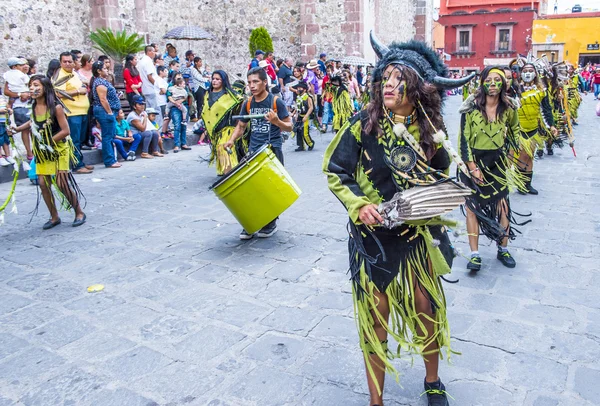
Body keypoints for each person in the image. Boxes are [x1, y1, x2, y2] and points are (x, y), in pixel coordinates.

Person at [322, 33, 474, 406]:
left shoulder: (431, 131)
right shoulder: (363, 124)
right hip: (371, 241)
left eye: (398, 80)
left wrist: (448, 189)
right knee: (375, 320)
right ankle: (376, 401)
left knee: (426, 309)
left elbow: (442, 181)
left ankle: (433, 379)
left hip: (416, 240)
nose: (388, 85)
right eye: (385, 78)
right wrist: (358, 205)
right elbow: (334, 171)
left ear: (417, 90)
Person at [458, 66, 527, 271]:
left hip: (497, 162)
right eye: (489, 80)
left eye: (498, 80)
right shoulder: (469, 108)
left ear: (504, 84)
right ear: (482, 82)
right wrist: (471, 167)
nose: (493, 84)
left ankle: (503, 248)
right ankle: (475, 255)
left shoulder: (509, 107)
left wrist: (511, 156)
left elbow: (515, 130)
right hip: (474, 162)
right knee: (472, 209)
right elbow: (463, 140)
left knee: (502, 206)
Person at [8, 75, 86, 229]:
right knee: (43, 183)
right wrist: (17, 129)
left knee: (61, 183)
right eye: (30, 85)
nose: (32, 88)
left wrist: (48, 142)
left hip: (58, 148)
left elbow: (65, 131)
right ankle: (54, 216)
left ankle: (79, 212)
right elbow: (34, 122)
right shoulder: (34, 106)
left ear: (45, 88)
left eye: (36, 85)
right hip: (43, 150)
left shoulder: (56, 107)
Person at [223, 67, 292, 239]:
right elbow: (241, 126)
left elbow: (290, 126)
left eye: (256, 82)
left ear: (264, 82)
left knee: (270, 189)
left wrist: (277, 122)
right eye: (249, 82)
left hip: (272, 150)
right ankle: (252, 221)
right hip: (254, 151)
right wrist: (231, 140)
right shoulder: (247, 103)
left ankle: (270, 222)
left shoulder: (276, 102)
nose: (252, 86)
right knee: (252, 189)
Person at [516, 54, 556, 195]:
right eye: (525, 70)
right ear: (521, 72)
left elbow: (546, 109)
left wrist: (551, 125)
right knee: (521, 157)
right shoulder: (515, 90)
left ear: (535, 73)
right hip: (518, 129)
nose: (528, 73)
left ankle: (528, 184)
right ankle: (520, 184)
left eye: (530, 70)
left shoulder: (541, 90)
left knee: (530, 156)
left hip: (533, 128)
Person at [54, 52, 94, 174]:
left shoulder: (74, 74)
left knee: (80, 139)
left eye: (70, 61)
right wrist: (77, 91)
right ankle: (77, 165)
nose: (67, 64)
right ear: (60, 62)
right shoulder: (60, 75)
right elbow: (58, 93)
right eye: (64, 61)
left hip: (81, 111)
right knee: (74, 140)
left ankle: (80, 161)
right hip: (71, 113)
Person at [201, 70, 243, 173]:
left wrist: (238, 126)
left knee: (224, 149)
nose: (214, 81)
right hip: (215, 130)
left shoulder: (232, 96)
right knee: (219, 149)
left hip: (227, 128)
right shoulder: (207, 94)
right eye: (213, 79)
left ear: (223, 81)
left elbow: (240, 108)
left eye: (218, 79)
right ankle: (225, 171)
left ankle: (229, 174)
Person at [90, 60, 122, 168]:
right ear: (98, 71)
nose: (106, 70)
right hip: (104, 111)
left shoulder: (103, 81)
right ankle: (109, 160)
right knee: (107, 136)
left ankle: (111, 159)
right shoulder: (99, 83)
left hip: (109, 110)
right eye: (104, 68)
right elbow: (103, 100)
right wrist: (109, 112)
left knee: (109, 135)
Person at [3, 57, 33, 162]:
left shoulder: (26, 77)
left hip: (28, 105)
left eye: (26, 64)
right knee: (25, 129)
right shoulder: (18, 76)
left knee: (33, 128)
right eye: (22, 64)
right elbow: (6, 91)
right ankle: (29, 152)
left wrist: (28, 94)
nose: (25, 66)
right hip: (19, 106)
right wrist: (20, 94)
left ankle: (33, 150)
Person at [138, 45, 160, 119]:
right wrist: (157, 86)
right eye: (153, 51)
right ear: (149, 52)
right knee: (155, 110)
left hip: (145, 89)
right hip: (151, 89)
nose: (154, 53)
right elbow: (150, 76)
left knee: (149, 109)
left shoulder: (142, 61)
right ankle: (158, 128)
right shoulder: (148, 61)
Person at [292, 81, 315, 151]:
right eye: (298, 88)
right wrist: (294, 113)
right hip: (299, 115)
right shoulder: (298, 97)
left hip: (305, 116)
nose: (298, 89)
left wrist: (306, 116)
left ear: (304, 89)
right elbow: (297, 106)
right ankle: (301, 146)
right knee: (298, 131)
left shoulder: (308, 97)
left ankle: (310, 143)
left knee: (305, 132)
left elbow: (311, 107)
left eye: (300, 88)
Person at [0, 94, 16, 166]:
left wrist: (9, 110)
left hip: (5, 122)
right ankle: (0, 158)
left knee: (6, 140)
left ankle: (8, 155)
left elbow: (7, 106)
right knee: (0, 140)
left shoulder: (1, 97)